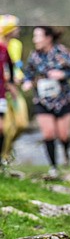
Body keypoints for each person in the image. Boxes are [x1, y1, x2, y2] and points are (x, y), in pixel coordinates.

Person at [21, 26, 70, 177]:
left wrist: (63, 74)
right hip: (42, 100)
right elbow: (28, 73)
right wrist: (27, 81)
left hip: (64, 99)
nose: (34, 40)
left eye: (37, 36)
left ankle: (66, 153)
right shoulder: (34, 56)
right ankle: (53, 167)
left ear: (48, 38)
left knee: (63, 135)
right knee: (48, 134)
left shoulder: (62, 52)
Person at [0, 17, 18, 165]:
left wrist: (11, 84)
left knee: (2, 128)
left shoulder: (4, 49)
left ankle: (1, 159)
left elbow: (10, 68)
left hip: (1, 93)